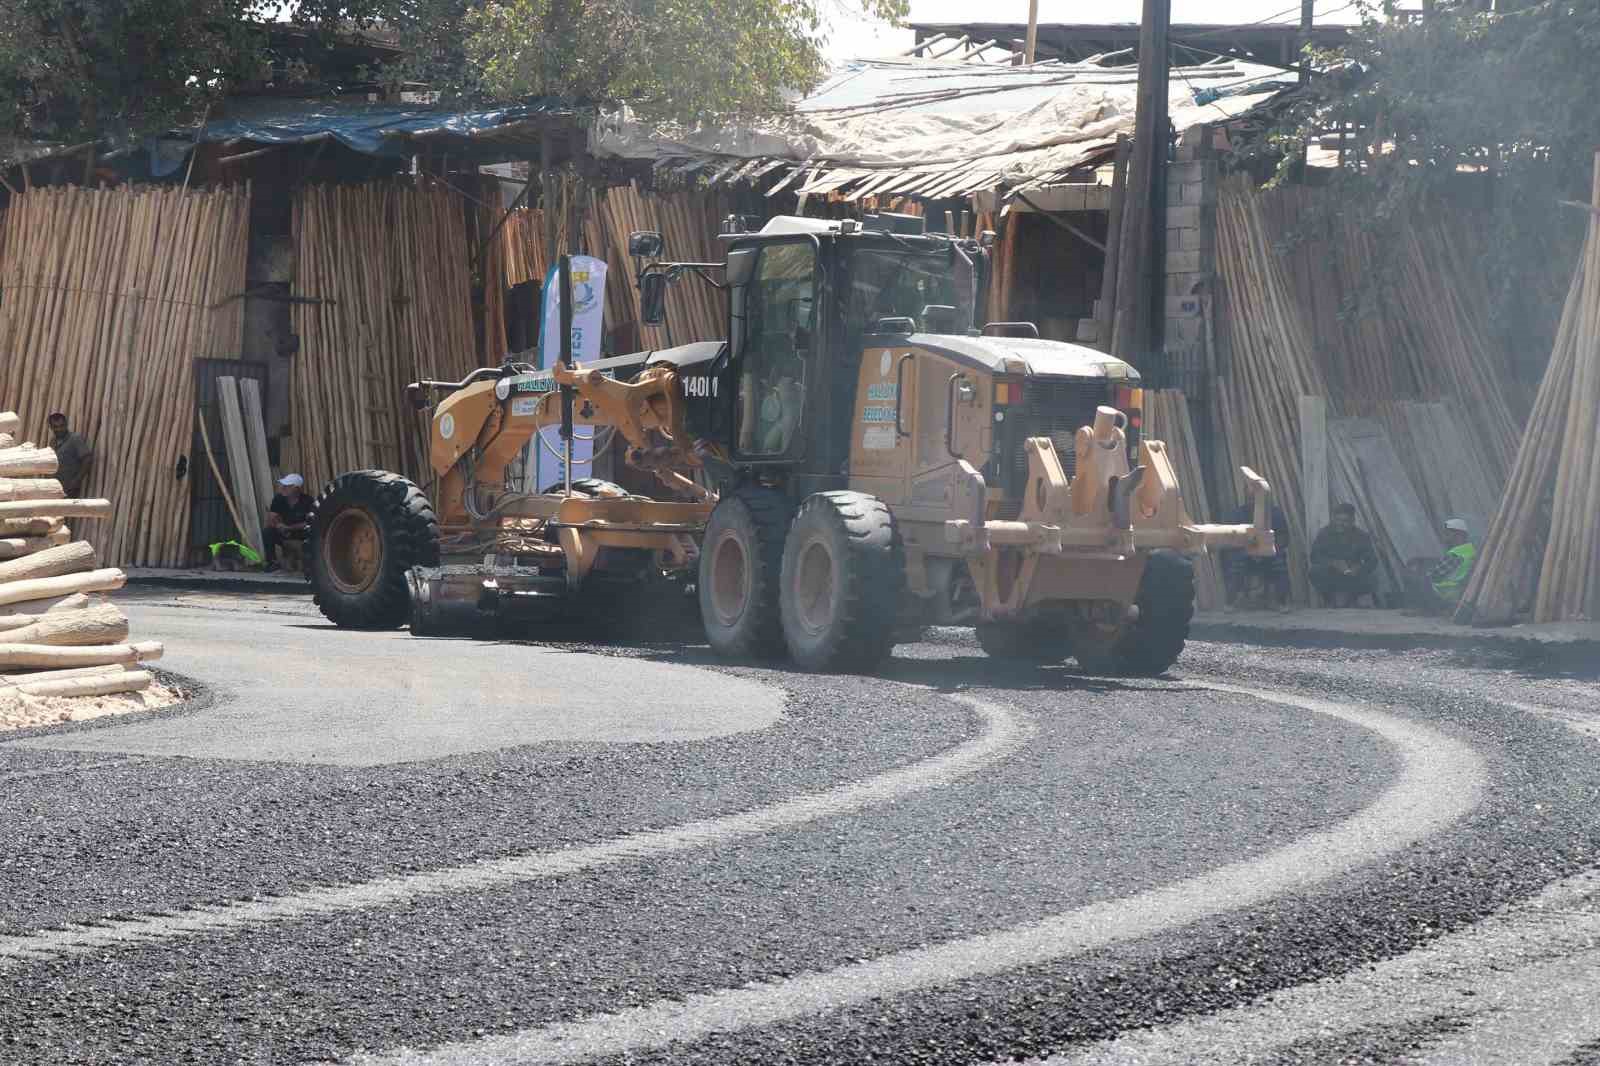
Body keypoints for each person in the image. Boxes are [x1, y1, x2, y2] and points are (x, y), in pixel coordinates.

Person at [1222, 501, 1291, 612]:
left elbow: (1284, 537)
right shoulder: (1238, 514)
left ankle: (1281, 602)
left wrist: (1268, 549)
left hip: (1270, 554)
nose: (1255, 498)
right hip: (1245, 554)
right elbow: (1231, 538)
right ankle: (1230, 602)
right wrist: (1250, 550)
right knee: (1234, 563)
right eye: (1251, 495)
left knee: (1280, 563)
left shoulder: (1275, 513)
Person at [1309, 503, 1379, 607]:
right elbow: (1314, 556)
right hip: (1332, 575)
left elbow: (1372, 560)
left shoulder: (1361, 536)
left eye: (1345, 521)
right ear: (1333, 519)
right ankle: (1330, 600)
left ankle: (1352, 599)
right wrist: (1332, 563)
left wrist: (1359, 567)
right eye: (1337, 520)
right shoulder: (1324, 534)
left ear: (1352, 521)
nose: (1340, 524)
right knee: (1315, 572)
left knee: (1372, 579)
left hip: (1352, 576)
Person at [1404, 518, 1477, 615]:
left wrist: (1421, 572)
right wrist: (1424, 561)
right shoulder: (1469, 549)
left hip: (1446, 592)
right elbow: (1446, 564)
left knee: (1414, 577)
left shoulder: (1455, 554)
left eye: (1448, 534)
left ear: (1459, 535)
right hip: (1457, 588)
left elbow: (1435, 575)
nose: (1445, 537)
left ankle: (1427, 609)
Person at [263, 474, 313, 572]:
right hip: (284, 532)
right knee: (267, 532)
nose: (283, 488)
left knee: (311, 533)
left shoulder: (308, 501)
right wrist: (279, 526)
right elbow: (271, 518)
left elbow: (310, 522)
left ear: (297, 489)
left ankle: (309, 564)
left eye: (287, 486)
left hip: (301, 534)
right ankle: (272, 562)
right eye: (283, 486)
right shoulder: (278, 499)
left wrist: (289, 528)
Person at [46, 413, 93, 498]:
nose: (59, 429)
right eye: (55, 427)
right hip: (54, 487)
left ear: (66, 425)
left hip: (69, 489)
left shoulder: (75, 439)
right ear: (51, 428)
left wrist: (76, 481)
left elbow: (87, 459)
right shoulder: (53, 442)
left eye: (62, 426)